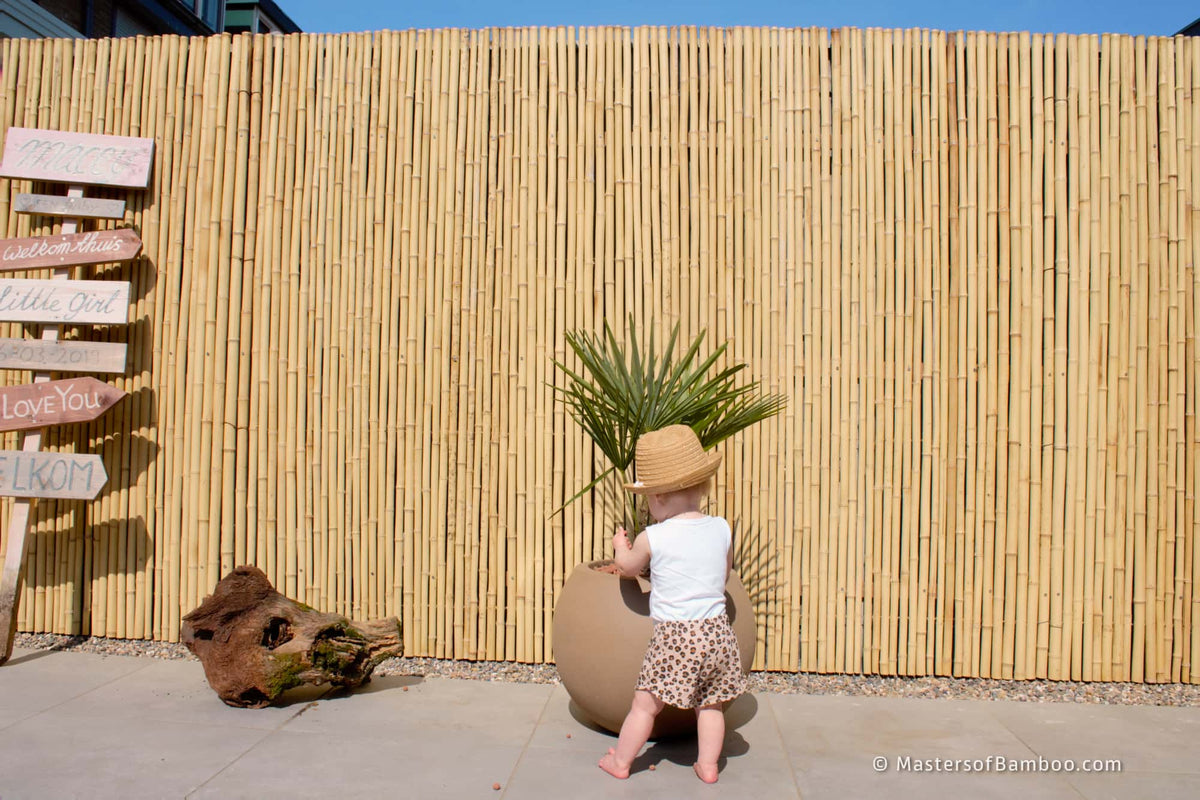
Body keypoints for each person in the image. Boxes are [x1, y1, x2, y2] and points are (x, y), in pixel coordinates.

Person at [597, 424, 745, 784]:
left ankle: (621, 762)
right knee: (710, 704)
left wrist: (620, 546)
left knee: (645, 705)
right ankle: (708, 766)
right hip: (717, 634)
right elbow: (722, 576)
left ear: (658, 498)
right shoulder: (721, 528)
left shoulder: (655, 536)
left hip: (675, 638)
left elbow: (630, 567)